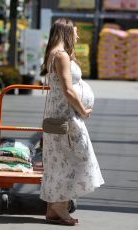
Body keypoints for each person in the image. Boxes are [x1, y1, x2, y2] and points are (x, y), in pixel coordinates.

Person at [40, 18, 104, 226]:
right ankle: (60, 205)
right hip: (66, 118)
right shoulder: (61, 56)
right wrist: (83, 110)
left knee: (59, 161)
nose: (77, 36)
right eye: (75, 32)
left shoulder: (56, 54)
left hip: (58, 117)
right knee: (78, 158)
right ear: (66, 32)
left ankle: (53, 209)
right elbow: (68, 90)